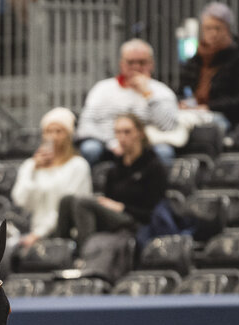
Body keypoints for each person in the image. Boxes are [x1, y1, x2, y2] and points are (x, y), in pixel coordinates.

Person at [53, 114, 167, 250]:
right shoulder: (115, 168)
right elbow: (109, 199)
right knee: (67, 200)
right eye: (118, 132)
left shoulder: (153, 166)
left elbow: (153, 211)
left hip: (137, 220)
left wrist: (122, 207)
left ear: (140, 133)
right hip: (116, 217)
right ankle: (59, 253)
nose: (122, 137)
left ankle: (87, 254)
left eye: (127, 132)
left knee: (83, 202)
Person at [75, 39, 179, 166]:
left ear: (151, 64)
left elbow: (169, 126)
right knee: (90, 149)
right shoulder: (102, 89)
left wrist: (148, 94)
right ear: (121, 64)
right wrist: (112, 142)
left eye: (142, 62)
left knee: (164, 152)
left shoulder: (162, 91)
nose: (136, 67)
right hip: (107, 144)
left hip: (147, 146)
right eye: (130, 62)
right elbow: (85, 125)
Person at [10, 107, 92, 247]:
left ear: (69, 135)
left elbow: (67, 207)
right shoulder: (30, 165)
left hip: (66, 234)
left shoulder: (78, 165)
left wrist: (39, 234)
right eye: (48, 131)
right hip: (35, 233)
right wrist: (32, 169)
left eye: (59, 131)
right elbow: (21, 200)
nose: (53, 136)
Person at [176, 2, 239, 132]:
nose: (213, 33)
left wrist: (209, 107)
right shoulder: (195, 59)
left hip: (228, 118)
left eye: (218, 28)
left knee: (206, 129)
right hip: (192, 113)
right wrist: (182, 103)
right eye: (208, 28)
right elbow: (181, 91)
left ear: (227, 29)